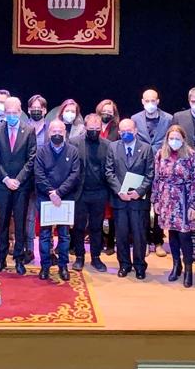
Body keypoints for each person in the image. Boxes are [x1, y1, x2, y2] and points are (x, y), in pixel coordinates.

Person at [0, 96, 37, 275]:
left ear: (20, 111)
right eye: (7, 112)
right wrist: (6, 179)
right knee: (2, 223)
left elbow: (32, 158)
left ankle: (18, 258)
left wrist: (18, 179)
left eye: (14, 112)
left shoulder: (29, 130)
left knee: (19, 223)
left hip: (21, 185)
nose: (10, 115)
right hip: (2, 185)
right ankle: (1, 259)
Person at [105, 118, 155, 279]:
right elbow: (109, 171)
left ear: (135, 131)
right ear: (119, 132)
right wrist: (119, 191)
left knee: (139, 235)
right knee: (121, 234)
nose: (126, 133)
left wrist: (139, 192)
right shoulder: (113, 147)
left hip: (139, 201)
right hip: (120, 200)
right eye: (122, 131)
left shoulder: (146, 149)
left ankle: (140, 266)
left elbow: (150, 174)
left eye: (129, 130)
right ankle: (124, 264)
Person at [153, 125, 195, 287]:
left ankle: (188, 269)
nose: (174, 141)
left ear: (183, 140)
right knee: (172, 234)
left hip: (184, 200)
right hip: (166, 200)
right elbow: (156, 179)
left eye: (177, 139)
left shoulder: (191, 155)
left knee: (185, 236)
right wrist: (156, 201)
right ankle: (176, 265)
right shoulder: (160, 154)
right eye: (171, 138)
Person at [34, 119, 82, 281]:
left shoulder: (73, 151)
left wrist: (59, 193)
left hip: (65, 198)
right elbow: (38, 174)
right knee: (45, 235)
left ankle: (63, 266)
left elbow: (75, 175)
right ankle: (45, 266)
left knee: (64, 235)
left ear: (65, 133)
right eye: (53, 131)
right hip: (45, 197)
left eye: (60, 131)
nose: (56, 134)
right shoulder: (41, 151)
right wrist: (50, 193)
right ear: (49, 134)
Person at [130, 89, 171, 258]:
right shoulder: (135, 119)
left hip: (163, 168)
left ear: (158, 101)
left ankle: (159, 241)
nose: (150, 103)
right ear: (142, 101)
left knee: (160, 207)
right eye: (147, 100)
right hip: (143, 167)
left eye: (153, 100)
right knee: (144, 207)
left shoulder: (169, 118)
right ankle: (145, 241)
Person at [70, 114, 110, 272]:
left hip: (99, 192)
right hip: (80, 192)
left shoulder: (108, 145)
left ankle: (96, 257)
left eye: (97, 129)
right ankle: (79, 256)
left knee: (96, 227)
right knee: (79, 227)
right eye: (91, 129)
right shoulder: (74, 142)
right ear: (85, 127)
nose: (94, 131)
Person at [22, 94, 50, 261]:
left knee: (48, 217)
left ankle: (48, 252)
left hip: (47, 180)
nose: (36, 111)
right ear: (28, 110)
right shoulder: (23, 128)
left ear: (45, 110)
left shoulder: (52, 129)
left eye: (40, 109)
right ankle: (29, 250)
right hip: (27, 179)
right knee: (29, 217)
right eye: (33, 108)